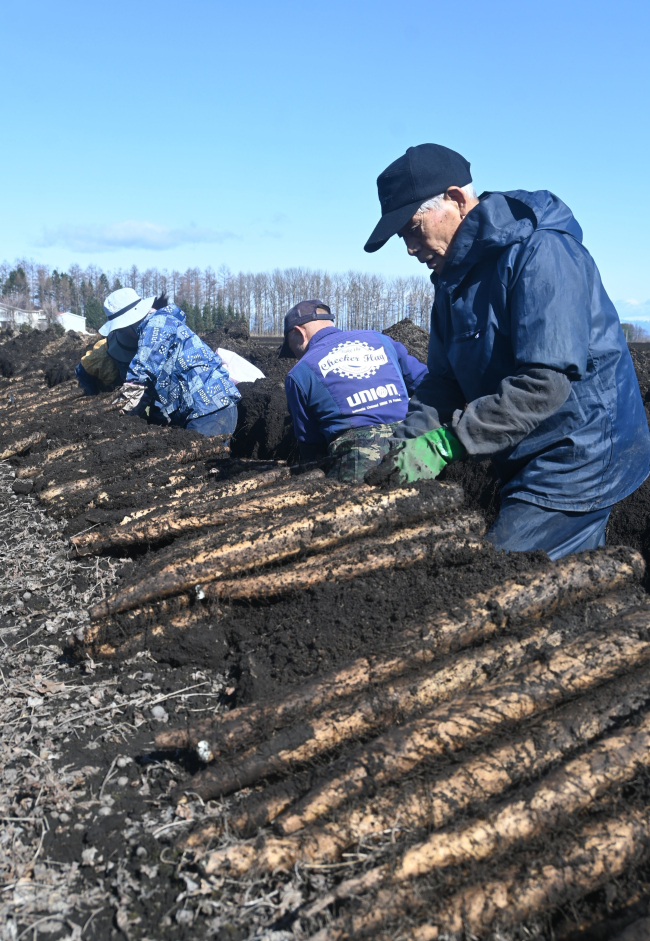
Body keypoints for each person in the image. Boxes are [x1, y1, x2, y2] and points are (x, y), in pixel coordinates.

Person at [363, 143, 650, 559]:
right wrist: (403, 446)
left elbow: (543, 385)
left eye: (411, 227)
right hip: (526, 447)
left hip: (580, 449)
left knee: (503, 575)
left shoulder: (541, 252)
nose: (408, 246)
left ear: (457, 200)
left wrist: (446, 444)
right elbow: (442, 384)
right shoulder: (451, 282)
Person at [280, 299, 428, 481]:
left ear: (299, 333)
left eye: (291, 347)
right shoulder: (380, 340)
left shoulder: (299, 374)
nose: (295, 355)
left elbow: (310, 444)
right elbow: (425, 384)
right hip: (413, 447)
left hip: (358, 460)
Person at [77, 288, 241, 437]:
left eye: (120, 328)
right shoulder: (153, 327)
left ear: (129, 322)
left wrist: (117, 414)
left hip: (210, 408)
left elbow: (140, 372)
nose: (120, 332)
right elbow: (149, 388)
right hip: (197, 410)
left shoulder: (157, 325)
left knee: (203, 464)